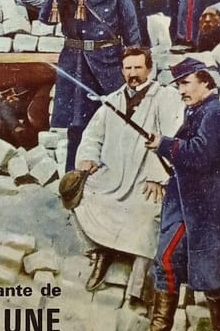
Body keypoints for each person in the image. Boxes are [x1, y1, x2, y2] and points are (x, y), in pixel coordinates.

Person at [135, 58, 220, 331]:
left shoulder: (215, 114)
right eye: (178, 85)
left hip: (202, 209)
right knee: (181, 265)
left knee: (185, 267)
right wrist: (163, 147)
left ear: (206, 83)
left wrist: (164, 144)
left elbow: (200, 154)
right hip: (188, 203)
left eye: (186, 83)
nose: (181, 90)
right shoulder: (198, 111)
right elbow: (186, 152)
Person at [73, 47, 183, 305]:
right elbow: (92, 136)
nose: (133, 74)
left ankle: (137, 289)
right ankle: (102, 251)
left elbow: (173, 135)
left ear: (149, 69)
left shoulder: (165, 97)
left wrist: (157, 176)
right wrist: (89, 157)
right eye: (128, 68)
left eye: (138, 67)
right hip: (114, 175)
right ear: (122, 71)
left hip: (147, 176)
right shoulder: (113, 100)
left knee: (148, 214)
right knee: (80, 196)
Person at [40, 0, 141, 171]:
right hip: (75, 63)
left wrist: (133, 65)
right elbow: (45, 19)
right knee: (77, 126)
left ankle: (114, 174)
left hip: (108, 62)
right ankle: (73, 177)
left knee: (115, 120)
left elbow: (131, 30)